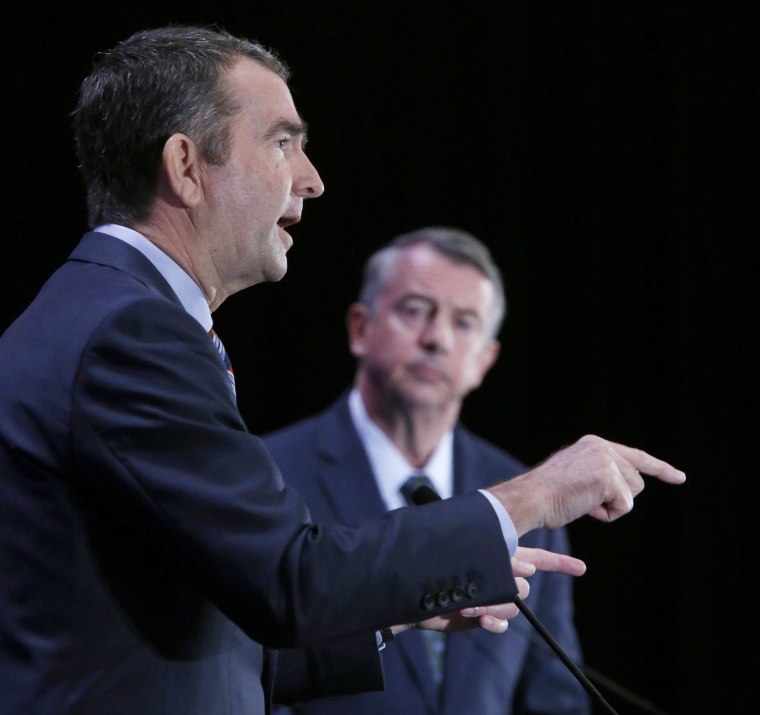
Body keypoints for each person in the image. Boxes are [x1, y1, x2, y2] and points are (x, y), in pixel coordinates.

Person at [0, 25, 685, 715]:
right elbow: (291, 580)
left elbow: (212, 651)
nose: (312, 178)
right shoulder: (130, 331)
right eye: (282, 142)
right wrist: (533, 495)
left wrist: (395, 613)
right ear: (186, 165)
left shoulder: (105, 311)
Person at [266, 227, 590, 715]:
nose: (436, 338)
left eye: (464, 323)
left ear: (485, 360)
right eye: (415, 311)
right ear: (360, 328)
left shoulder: (527, 495)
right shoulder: (273, 473)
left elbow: (554, 697)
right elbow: (252, 678)